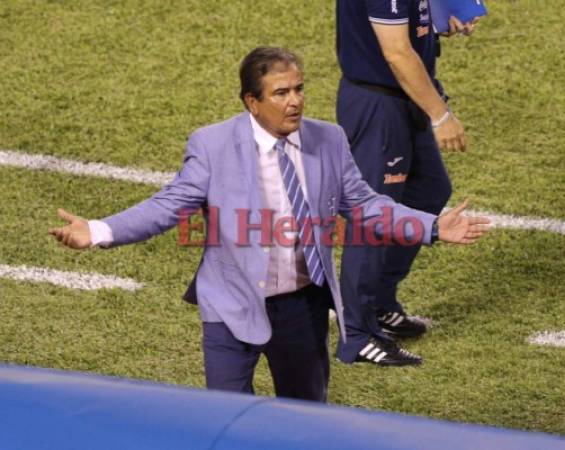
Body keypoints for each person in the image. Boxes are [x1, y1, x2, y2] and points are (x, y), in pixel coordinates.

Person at [49, 47, 490, 402]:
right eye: (281, 93)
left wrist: (431, 226)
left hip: (302, 309)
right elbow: (170, 206)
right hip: (231, 304)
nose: (295, 100)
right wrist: (100, 229)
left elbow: (366, 206)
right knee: (224, 422)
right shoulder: (213, 145)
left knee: (302, 426)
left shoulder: (329, 139)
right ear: (252, 102)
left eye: (299, 89)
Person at [336, 0, 479, 366]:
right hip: (378, 106)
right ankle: (359, 334)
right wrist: (441, 115)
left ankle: (380, 301)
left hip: (405, 96)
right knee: (373, 217)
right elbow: (397, 53)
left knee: (429, 190)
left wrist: (437, 20)